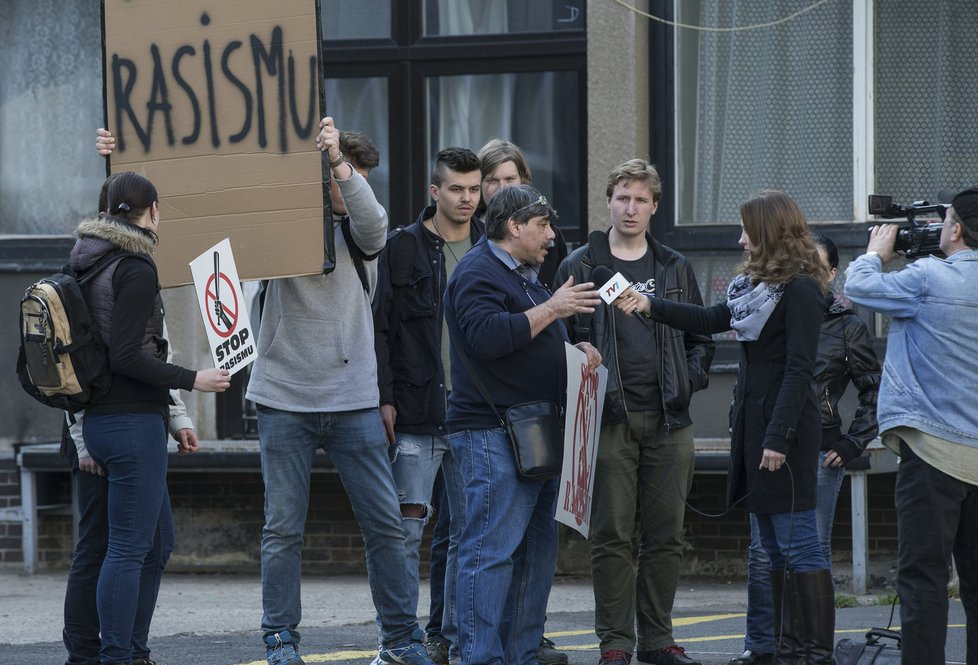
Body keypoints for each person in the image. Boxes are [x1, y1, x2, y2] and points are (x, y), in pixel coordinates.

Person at [617, 190, 835, 664]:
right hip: (755, 429)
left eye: (746, 231)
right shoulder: (755, 288)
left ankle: (815, 655)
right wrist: (648, 305)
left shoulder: (800, 290)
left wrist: (778, 438)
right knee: (773, 548)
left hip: (784, 435)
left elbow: (799, 371)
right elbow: (710, 318)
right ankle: (780, 650)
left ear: (770, 233)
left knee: (799, 545)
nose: (740, 240)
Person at [555, 159, 715, 665]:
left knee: (667, 535)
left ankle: (658, 640)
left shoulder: (673, 266)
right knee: (611, 537)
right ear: (609, 201)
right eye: (622, 197)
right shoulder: (579, 266)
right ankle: (616, 645)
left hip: (670, 420)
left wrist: (690, 380)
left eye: (641, 199)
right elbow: (558, 337)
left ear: (654, 207)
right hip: (607, 420)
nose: (631, 208)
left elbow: (701, 336)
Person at [69, 171, 229, 665]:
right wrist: (192, 379)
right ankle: (117, 656)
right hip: (131, 422)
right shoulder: (134, 267)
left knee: (155, 542)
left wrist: (174, 413)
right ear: (153, 211)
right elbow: (127, 356)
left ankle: (126, 651)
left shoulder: (86, 263)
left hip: (103, 419)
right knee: (126, 549)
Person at [445, 184, 602, 665]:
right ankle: (479, 657)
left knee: (536, 555)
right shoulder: (478, 272)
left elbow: (531, 339)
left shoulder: (528, 275)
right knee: (489, 553)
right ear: (514, 226)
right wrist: (553, 308)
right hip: (492, 434)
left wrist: (573, 352)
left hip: (532, 434)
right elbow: (487, 337)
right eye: (543, 226)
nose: (552, 236)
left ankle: (521, 654)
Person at [730, 233, 880, 665]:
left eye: (815, 265)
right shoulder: (770, 308)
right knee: (763, 553)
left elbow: (875, 391)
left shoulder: (846, 324)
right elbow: (754, 378)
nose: (804, 270)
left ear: (832, 274)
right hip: (767, 445)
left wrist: (854, 442)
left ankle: (811, 653)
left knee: (806, 550)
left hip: (816, 450)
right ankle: (763, 646)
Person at [845, 188, 978, 665]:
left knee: (923, 580)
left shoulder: (926, 278)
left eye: (944, 222)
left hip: (934, 453)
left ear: (956, 229)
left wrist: (876, 254)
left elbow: (858, 286)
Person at [372, 147, 483, 663]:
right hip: (415, 415)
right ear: (435, 192)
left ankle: (455, 639)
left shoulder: (489, 249)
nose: (466, 199)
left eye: (474, 189)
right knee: (404, 532)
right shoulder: (402, 249)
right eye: (456, 189)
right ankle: (396, 638)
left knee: (468, 534)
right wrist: (384, 398)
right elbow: (380, 329)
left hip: (474, 417)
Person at [476, 139, 568, 290]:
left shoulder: (550, 235)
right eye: (492, 180)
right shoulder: (468, 231)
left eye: (509, 179)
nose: (503, 188)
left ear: (522, 180)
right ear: (478, 184)